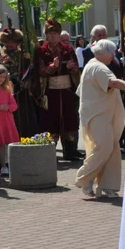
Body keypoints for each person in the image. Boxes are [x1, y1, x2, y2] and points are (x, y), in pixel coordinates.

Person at [76, 39, 125, 197]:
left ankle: (108, 185)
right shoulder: (97, 67)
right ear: (102, 52)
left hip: (102, 114)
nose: (113, 56)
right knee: (104, 147)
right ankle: (84, 178)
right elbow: (113, 83)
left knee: (112, 148)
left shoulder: (93, 65)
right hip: (97, 115)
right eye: (111, 53)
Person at [37, 19, 80, 162]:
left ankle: (70, 151)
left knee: (69, 120)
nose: (53, 36)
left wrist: (70, 67)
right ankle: (50, 153)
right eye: (50, 33)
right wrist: (52, 67)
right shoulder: (41, 51)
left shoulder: (67, 49)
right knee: (51, 121)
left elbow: (76, 68)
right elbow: (40, 71)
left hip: (66, 91)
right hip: (51, 92)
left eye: (56, 33)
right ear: (46, 35)